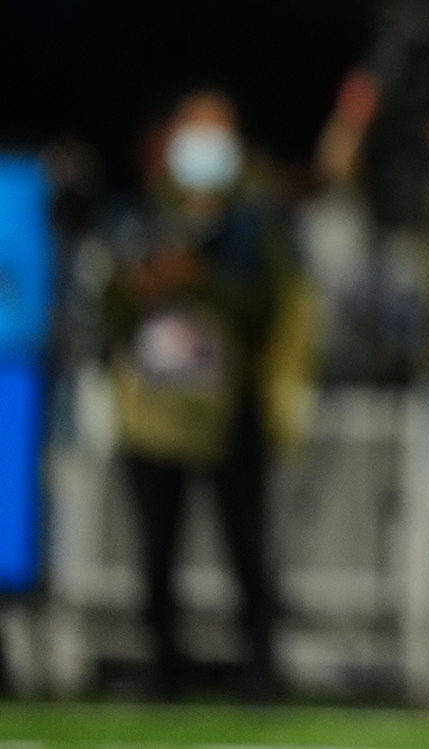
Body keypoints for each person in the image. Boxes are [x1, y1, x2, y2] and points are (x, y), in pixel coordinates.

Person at [101, 88, 311, 701]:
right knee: (156, 543)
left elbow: (269, 307)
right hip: (158, 399)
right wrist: (143, 284)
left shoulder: (256, 214)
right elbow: (111, 309)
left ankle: (262, 666)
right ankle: (163, 666)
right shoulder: (144, 208)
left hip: (229, 401)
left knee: (244, 539)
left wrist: (202, 279)